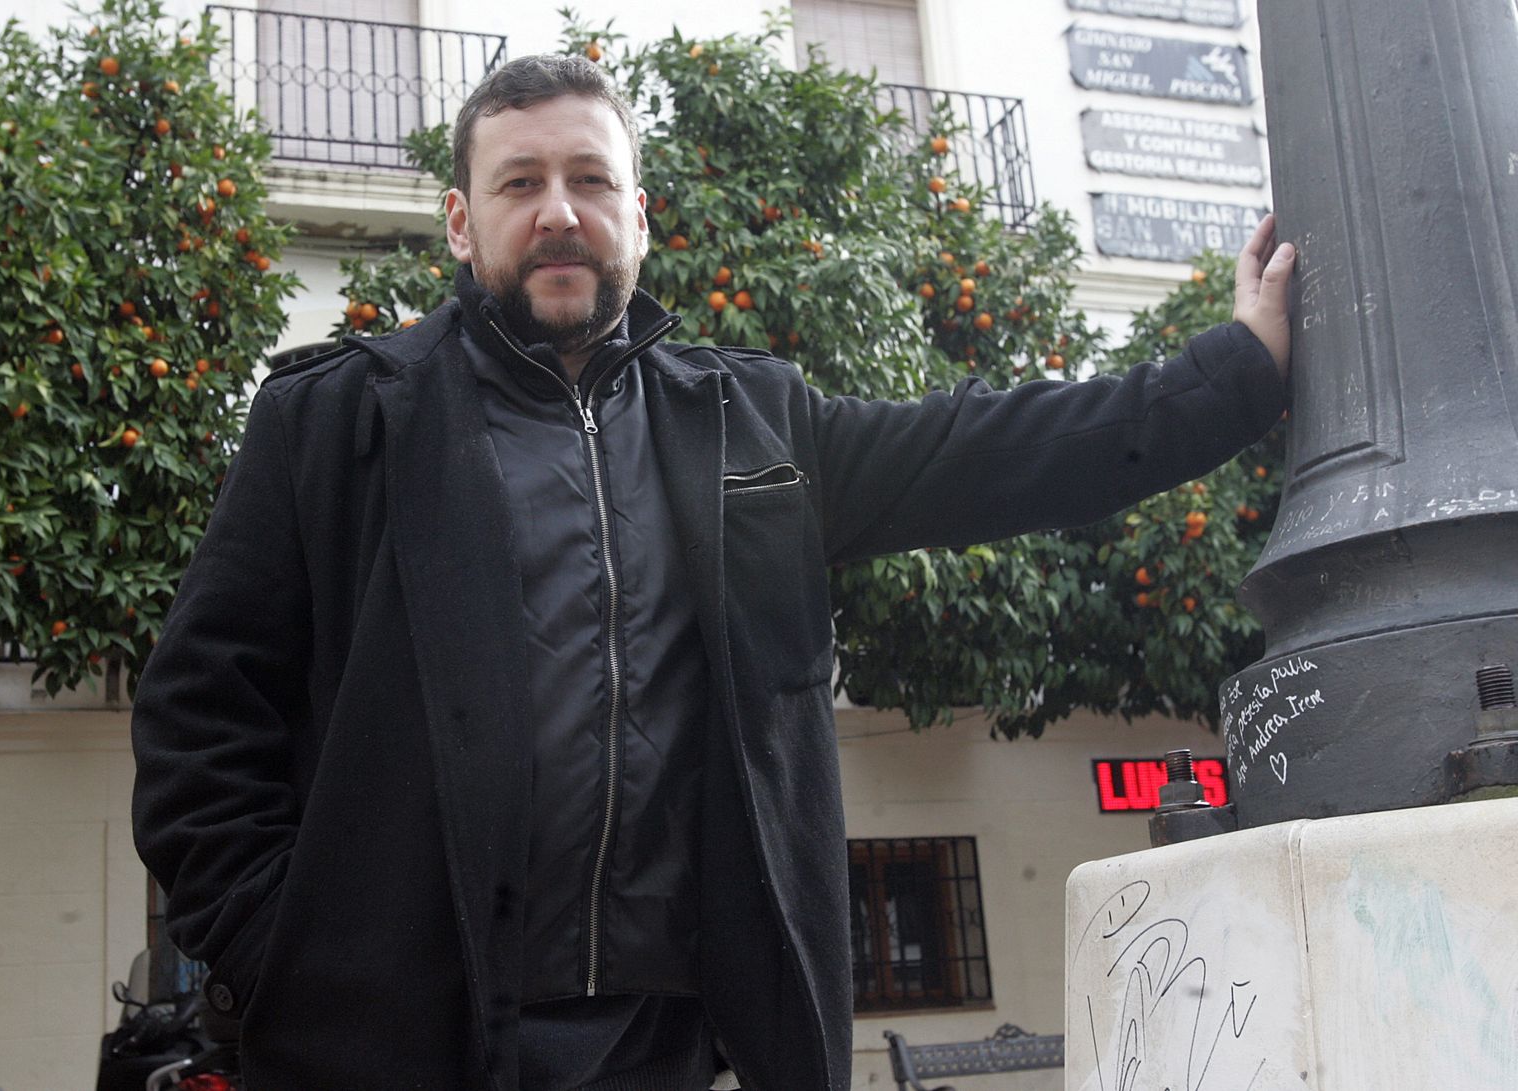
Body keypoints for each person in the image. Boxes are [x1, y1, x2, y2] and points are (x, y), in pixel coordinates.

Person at [130, 53, 1294, 1091]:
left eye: (589, 181)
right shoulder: (338, 423)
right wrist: (290, 956)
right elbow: (196, 717)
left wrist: (1237, 369)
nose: (558, 213)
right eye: (519, 183)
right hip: (399, 1044)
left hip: (663, 1044)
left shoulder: (750, 423)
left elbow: (998, 450)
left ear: (638, 215)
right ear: (456, 221)